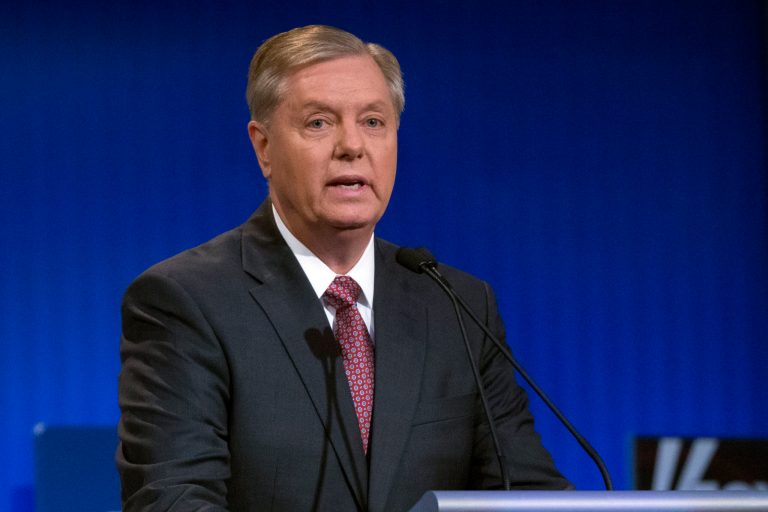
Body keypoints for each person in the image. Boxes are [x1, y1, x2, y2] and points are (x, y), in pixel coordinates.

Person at [117, 24, 571, 512]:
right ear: (263, 147)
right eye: (319, 123)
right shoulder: (185, 300)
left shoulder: (456, 306)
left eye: (374, 122)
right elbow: (172, 500)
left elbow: (526, 494)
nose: (352, 145)